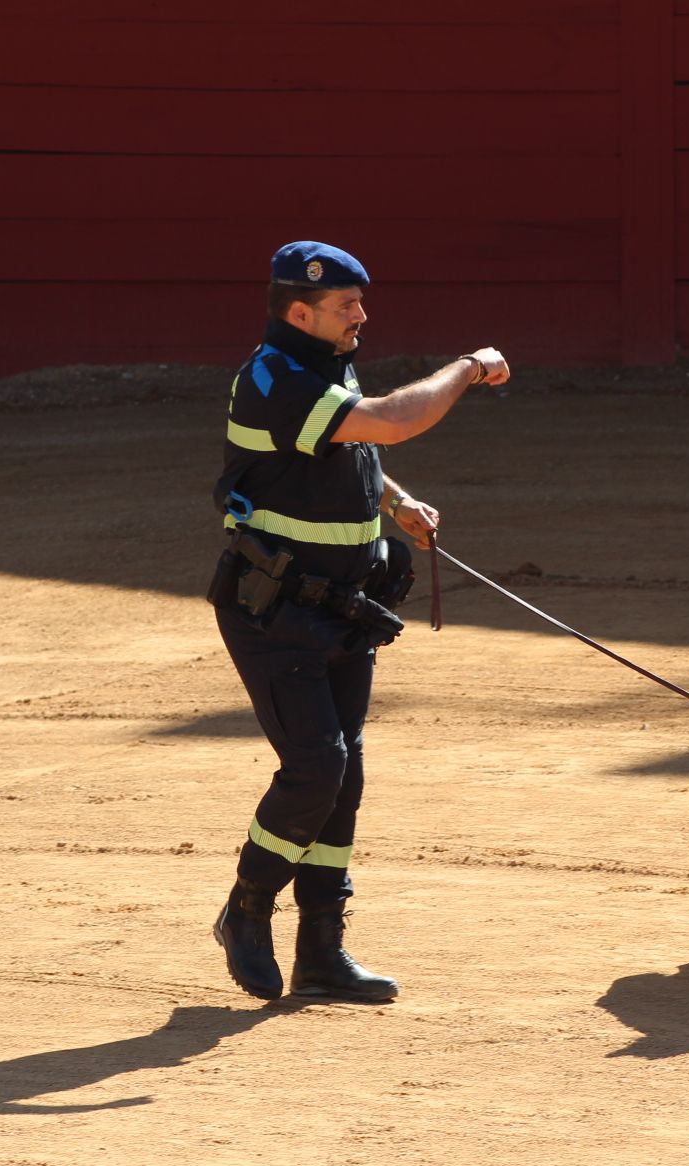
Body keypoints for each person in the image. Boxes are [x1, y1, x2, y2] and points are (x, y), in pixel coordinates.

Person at [206, 240, 509, 1003]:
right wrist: (467, 368)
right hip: (273, 610)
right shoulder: (273, 376)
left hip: (342, 608)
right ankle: (247, 905)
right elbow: (389, 421)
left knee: (346, 778)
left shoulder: (322, 362)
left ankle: (321, 953)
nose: (362, 316)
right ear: (299, 310)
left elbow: (352, 444)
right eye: (348, 305)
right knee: (316, 769)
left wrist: (394, 503)